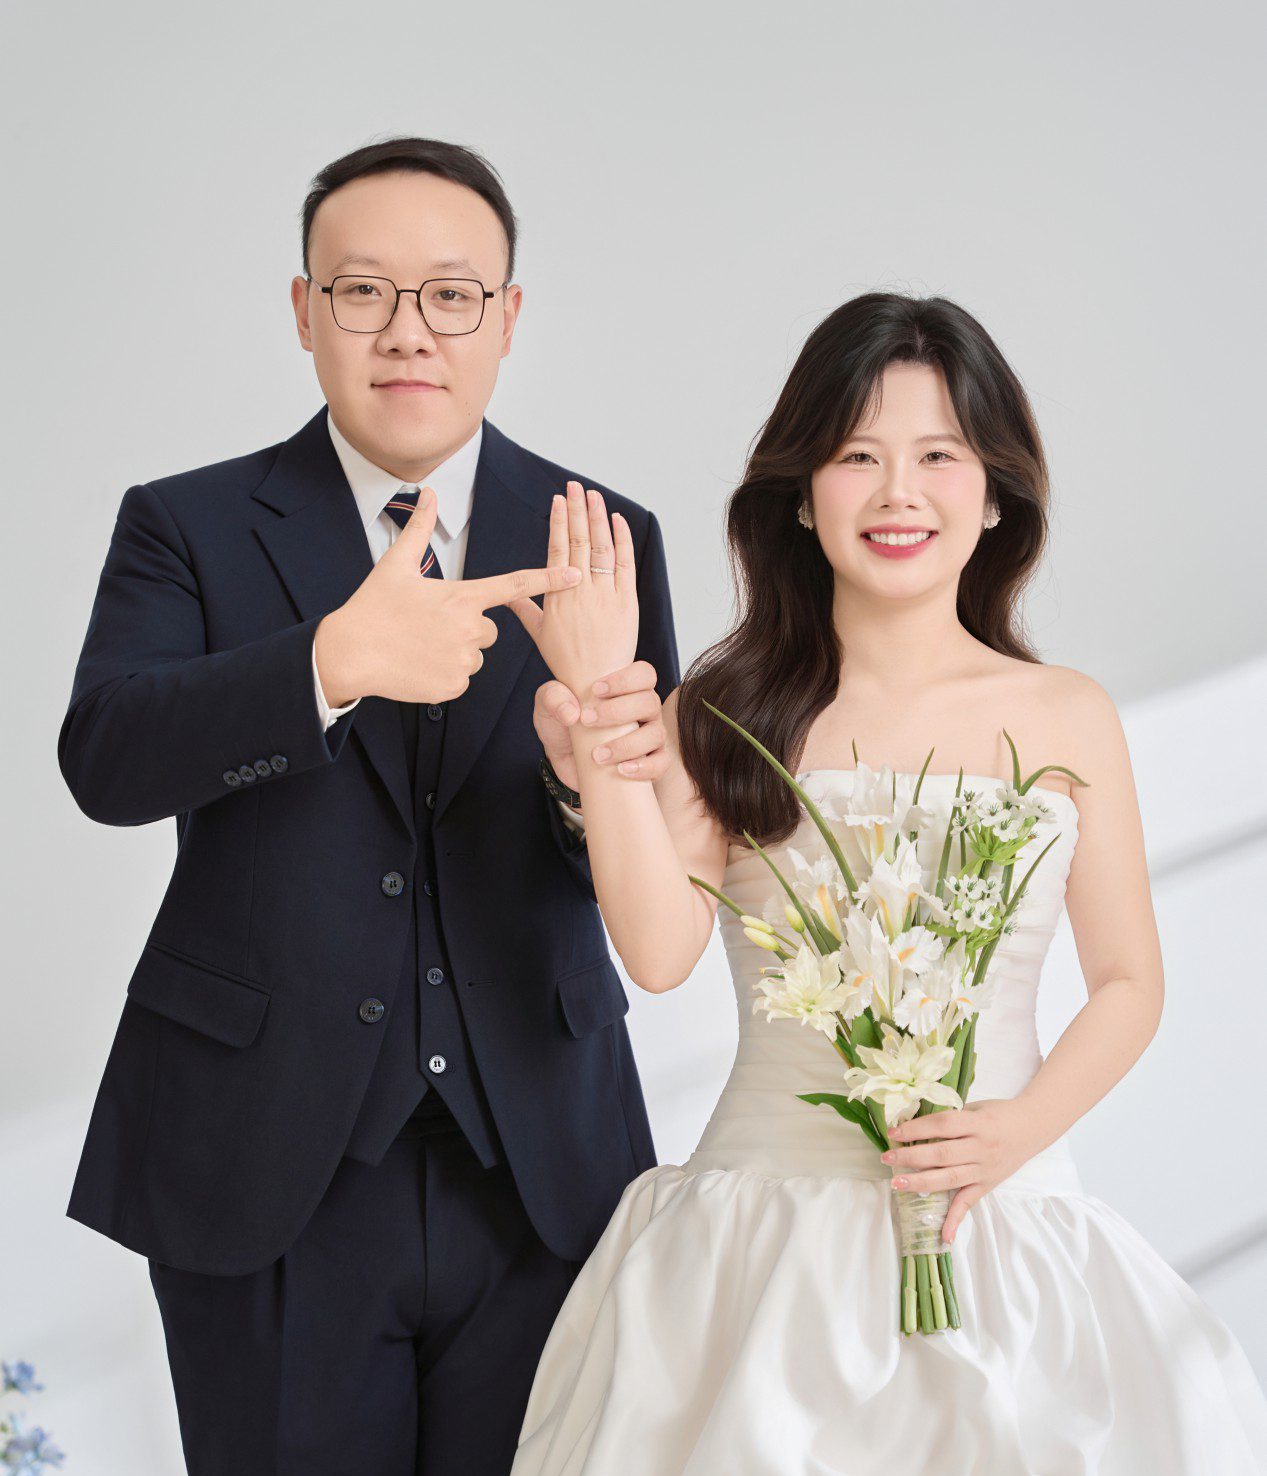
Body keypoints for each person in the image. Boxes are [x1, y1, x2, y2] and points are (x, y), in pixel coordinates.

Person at [510, 292, 1267, 1473]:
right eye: (856, 456)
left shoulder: (1065, 714)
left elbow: (1128, 982)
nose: (896, 493)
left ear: (995, 492)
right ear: (800, 495)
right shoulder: (721, 712)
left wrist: (1012, 1133)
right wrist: (603, 741)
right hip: (758, 1250)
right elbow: (655, 955)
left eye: (937, 457)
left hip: (994, 1222)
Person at [57, 136, 676, 1474]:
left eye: (450, 294)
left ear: (506, 317)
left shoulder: (598, 537)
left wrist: (582, 779)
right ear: (304, 310)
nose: (408, 331)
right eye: (362, 292)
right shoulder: (186, 525)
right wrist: (328, 664)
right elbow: (107, 758)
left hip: (540, 1162)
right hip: (262, 1161)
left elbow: (652, 854)